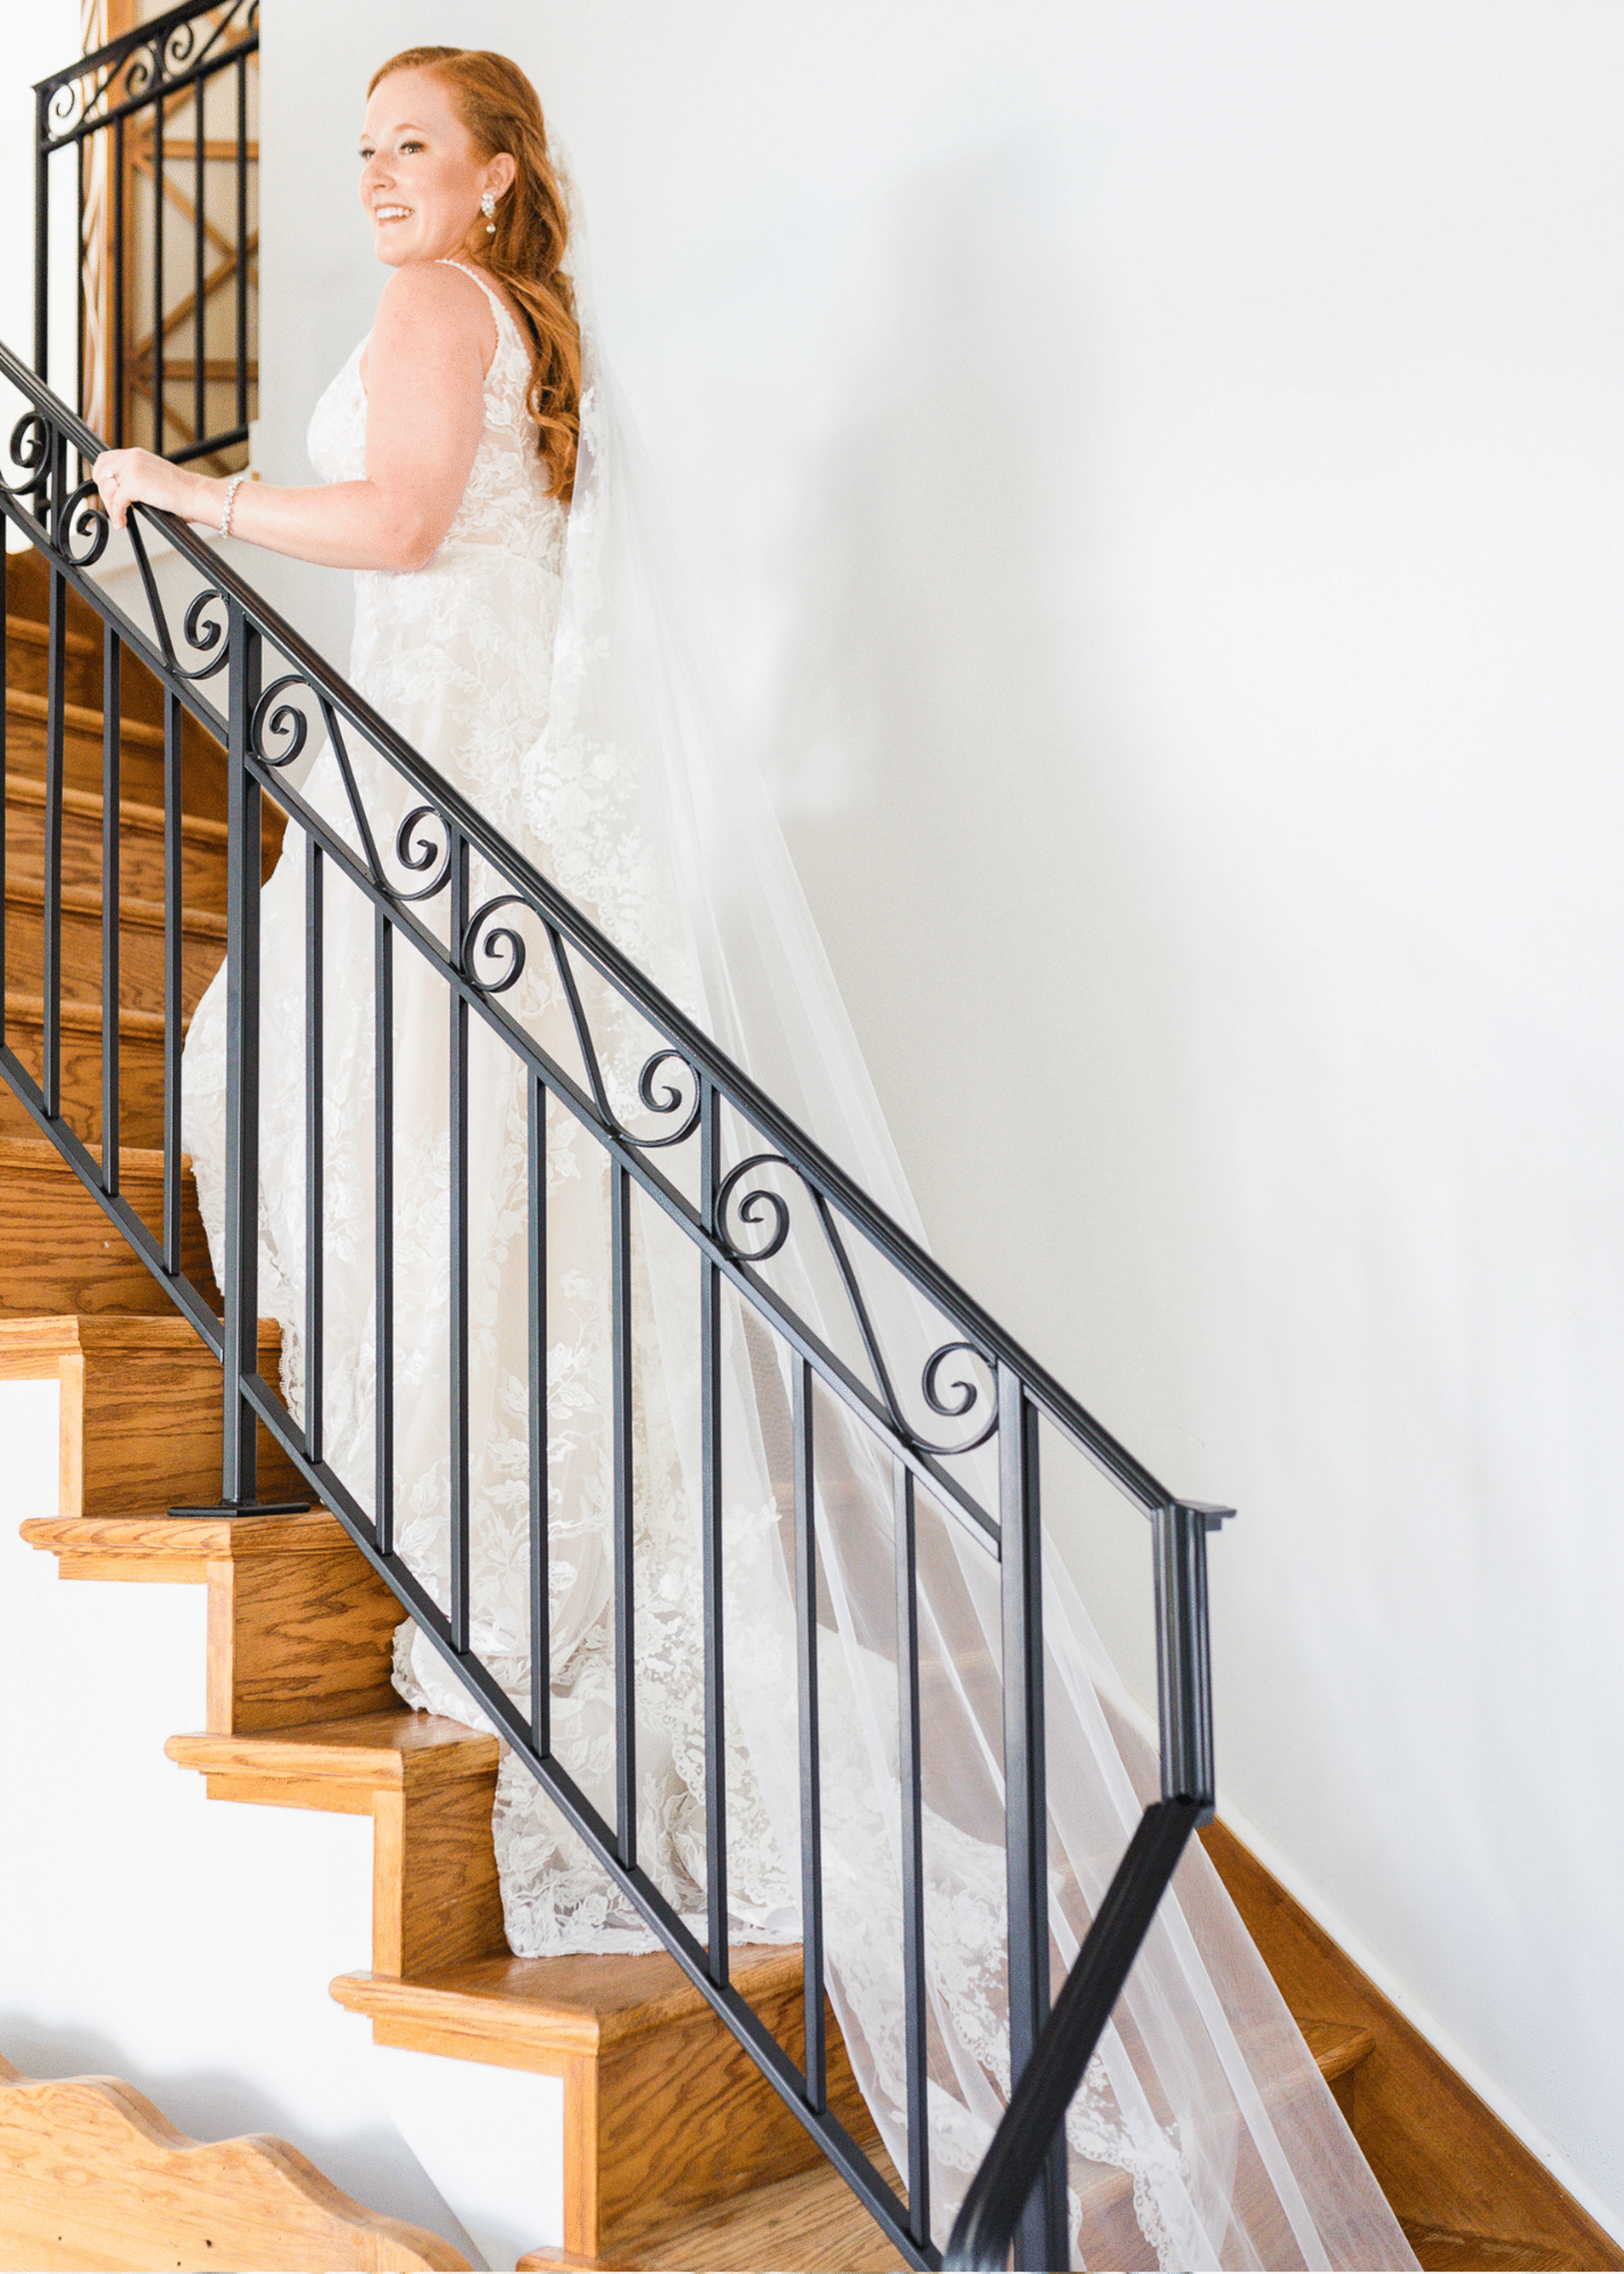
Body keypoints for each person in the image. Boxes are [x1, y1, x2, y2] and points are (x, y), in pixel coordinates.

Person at [92, 47, 1415, 2270]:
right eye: (365, 154)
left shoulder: (441, 315)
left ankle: (496, 1603)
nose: (383, 179)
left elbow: (405, 533)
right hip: (496, 836)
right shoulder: (533, 328)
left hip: (447, 837)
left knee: (323, 1137)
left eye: (419, 147)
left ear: (503, 175)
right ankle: (516, 1603)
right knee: (449, 1207)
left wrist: (174, 495)